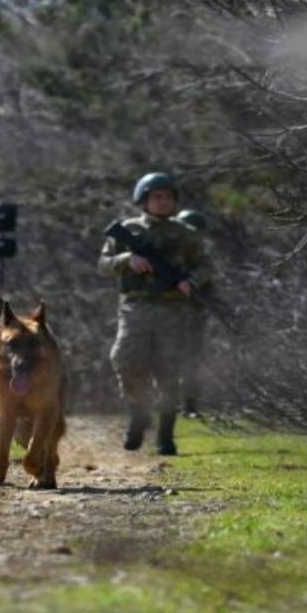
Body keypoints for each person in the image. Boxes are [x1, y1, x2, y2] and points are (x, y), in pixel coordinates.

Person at [98, 172, 211, 456]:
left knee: (169, 372)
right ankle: (138, 414)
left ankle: (165, 435)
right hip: (135, 307)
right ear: (144, 200)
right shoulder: (128, 229)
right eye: (156, 197)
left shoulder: (186, 234)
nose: (163, 202)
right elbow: (103, 264)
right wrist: (127, 259)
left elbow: (207, 265)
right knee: (125, 361)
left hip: (173, 309)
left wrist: (191, 281)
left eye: (168, 197)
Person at [176, 208, 211, 419]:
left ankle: (189, 404)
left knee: (191, 362)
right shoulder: (170, 254)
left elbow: (209, 283)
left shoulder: (201, 259)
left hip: (193, 316)